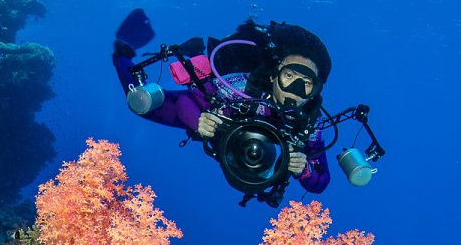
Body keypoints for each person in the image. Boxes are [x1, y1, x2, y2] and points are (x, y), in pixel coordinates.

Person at [112, 11, 333, 195]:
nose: (294, 90)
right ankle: (122, 55)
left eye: (305, 83)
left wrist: (304, 170)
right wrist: (198, 120)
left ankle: (194, 54)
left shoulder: (310, 124)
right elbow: (187, 100)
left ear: (315, 90)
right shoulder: (240, 86)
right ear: (274, 76)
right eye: (289, 76)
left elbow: (321, 181)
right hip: (220, 115)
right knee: (143, 106)